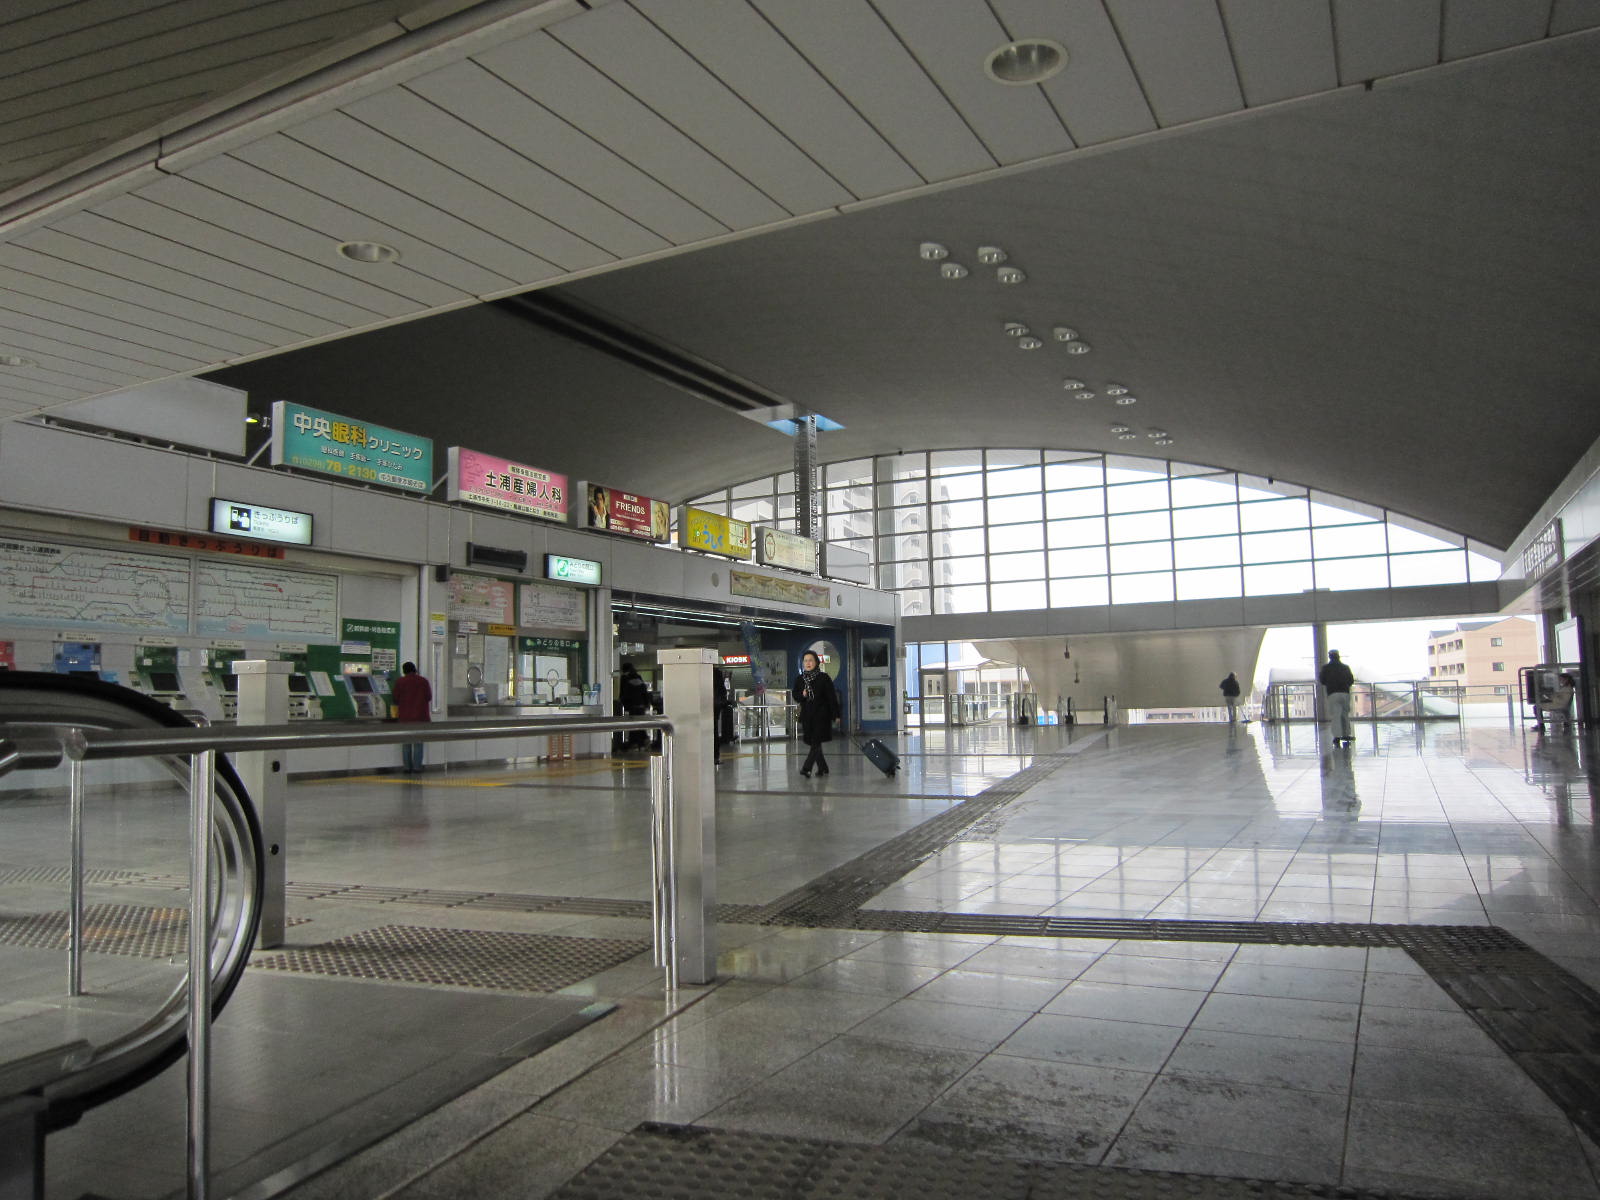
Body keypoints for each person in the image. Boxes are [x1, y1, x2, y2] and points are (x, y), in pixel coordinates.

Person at [795, 650, 840, 777]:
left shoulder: (824, 678)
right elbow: (795, 695)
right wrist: (802, 694)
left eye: (811, 660)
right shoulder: (800, 679)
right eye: (805, 661)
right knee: (814, 742)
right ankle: (823, 767)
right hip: (807, 716)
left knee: (815, 741)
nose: (808, 663)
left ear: (816, 662)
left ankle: (806, 768)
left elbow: (831, 697)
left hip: (822, 716)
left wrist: (836, 714)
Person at [391, 661, 432, 774]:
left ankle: (407, 767)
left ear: (404, 671)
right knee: (418, 743)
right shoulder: (423, 681)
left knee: (406, 743)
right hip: (421, 717)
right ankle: (417, 767)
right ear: (415, 669)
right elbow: (429, 697)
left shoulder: (400, 682)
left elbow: (395, 699)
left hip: (405, 718)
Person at [1319, 649, 1355, 746]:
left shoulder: (1326, 668)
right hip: (1344, 692)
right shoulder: (1345, 667)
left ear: (1329, 657)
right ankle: (1346, 734)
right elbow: (1351, 680)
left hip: (1332, 693)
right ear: (1338, 656)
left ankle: (1337, 737)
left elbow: (1322, 680)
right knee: (1345, 714)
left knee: (1335, 715)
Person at [619, 661, 650, 749]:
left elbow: (623, 693)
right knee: (640, 724)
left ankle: (634, 742)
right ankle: (642, 740)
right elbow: (645, 692)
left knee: (633, 724)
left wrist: (623, 703)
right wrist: (646, 703)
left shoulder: (625, 678)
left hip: (632, 705)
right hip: (641, 706)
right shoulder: (638, 677)